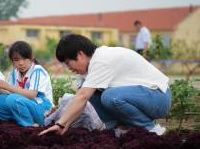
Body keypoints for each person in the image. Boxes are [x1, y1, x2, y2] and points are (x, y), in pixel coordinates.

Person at [41, 34, 171, 137]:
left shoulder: (102, 60)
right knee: (93, 98)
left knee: (110, 97)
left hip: (158, 98)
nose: (68, 67)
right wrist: (64, 126)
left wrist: (60, 123)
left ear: (80, 55)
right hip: (142, 97)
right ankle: (121, 127)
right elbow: (82, 103)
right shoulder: (88, 69)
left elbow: (82, 97)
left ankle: (151, 129)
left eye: (68, 62)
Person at [0, 41, 53, 127]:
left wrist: (7, 86)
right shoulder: (15, 73)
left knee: (13, 99)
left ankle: (29, 127)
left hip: (42, 110)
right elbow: (11, 93)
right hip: (23, 104)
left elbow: (32, 95)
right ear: (12, 61)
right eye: (16, 60)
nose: (21, 63)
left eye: (24, 59)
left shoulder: (37, 70)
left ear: (31, 58)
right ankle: (7, 124)